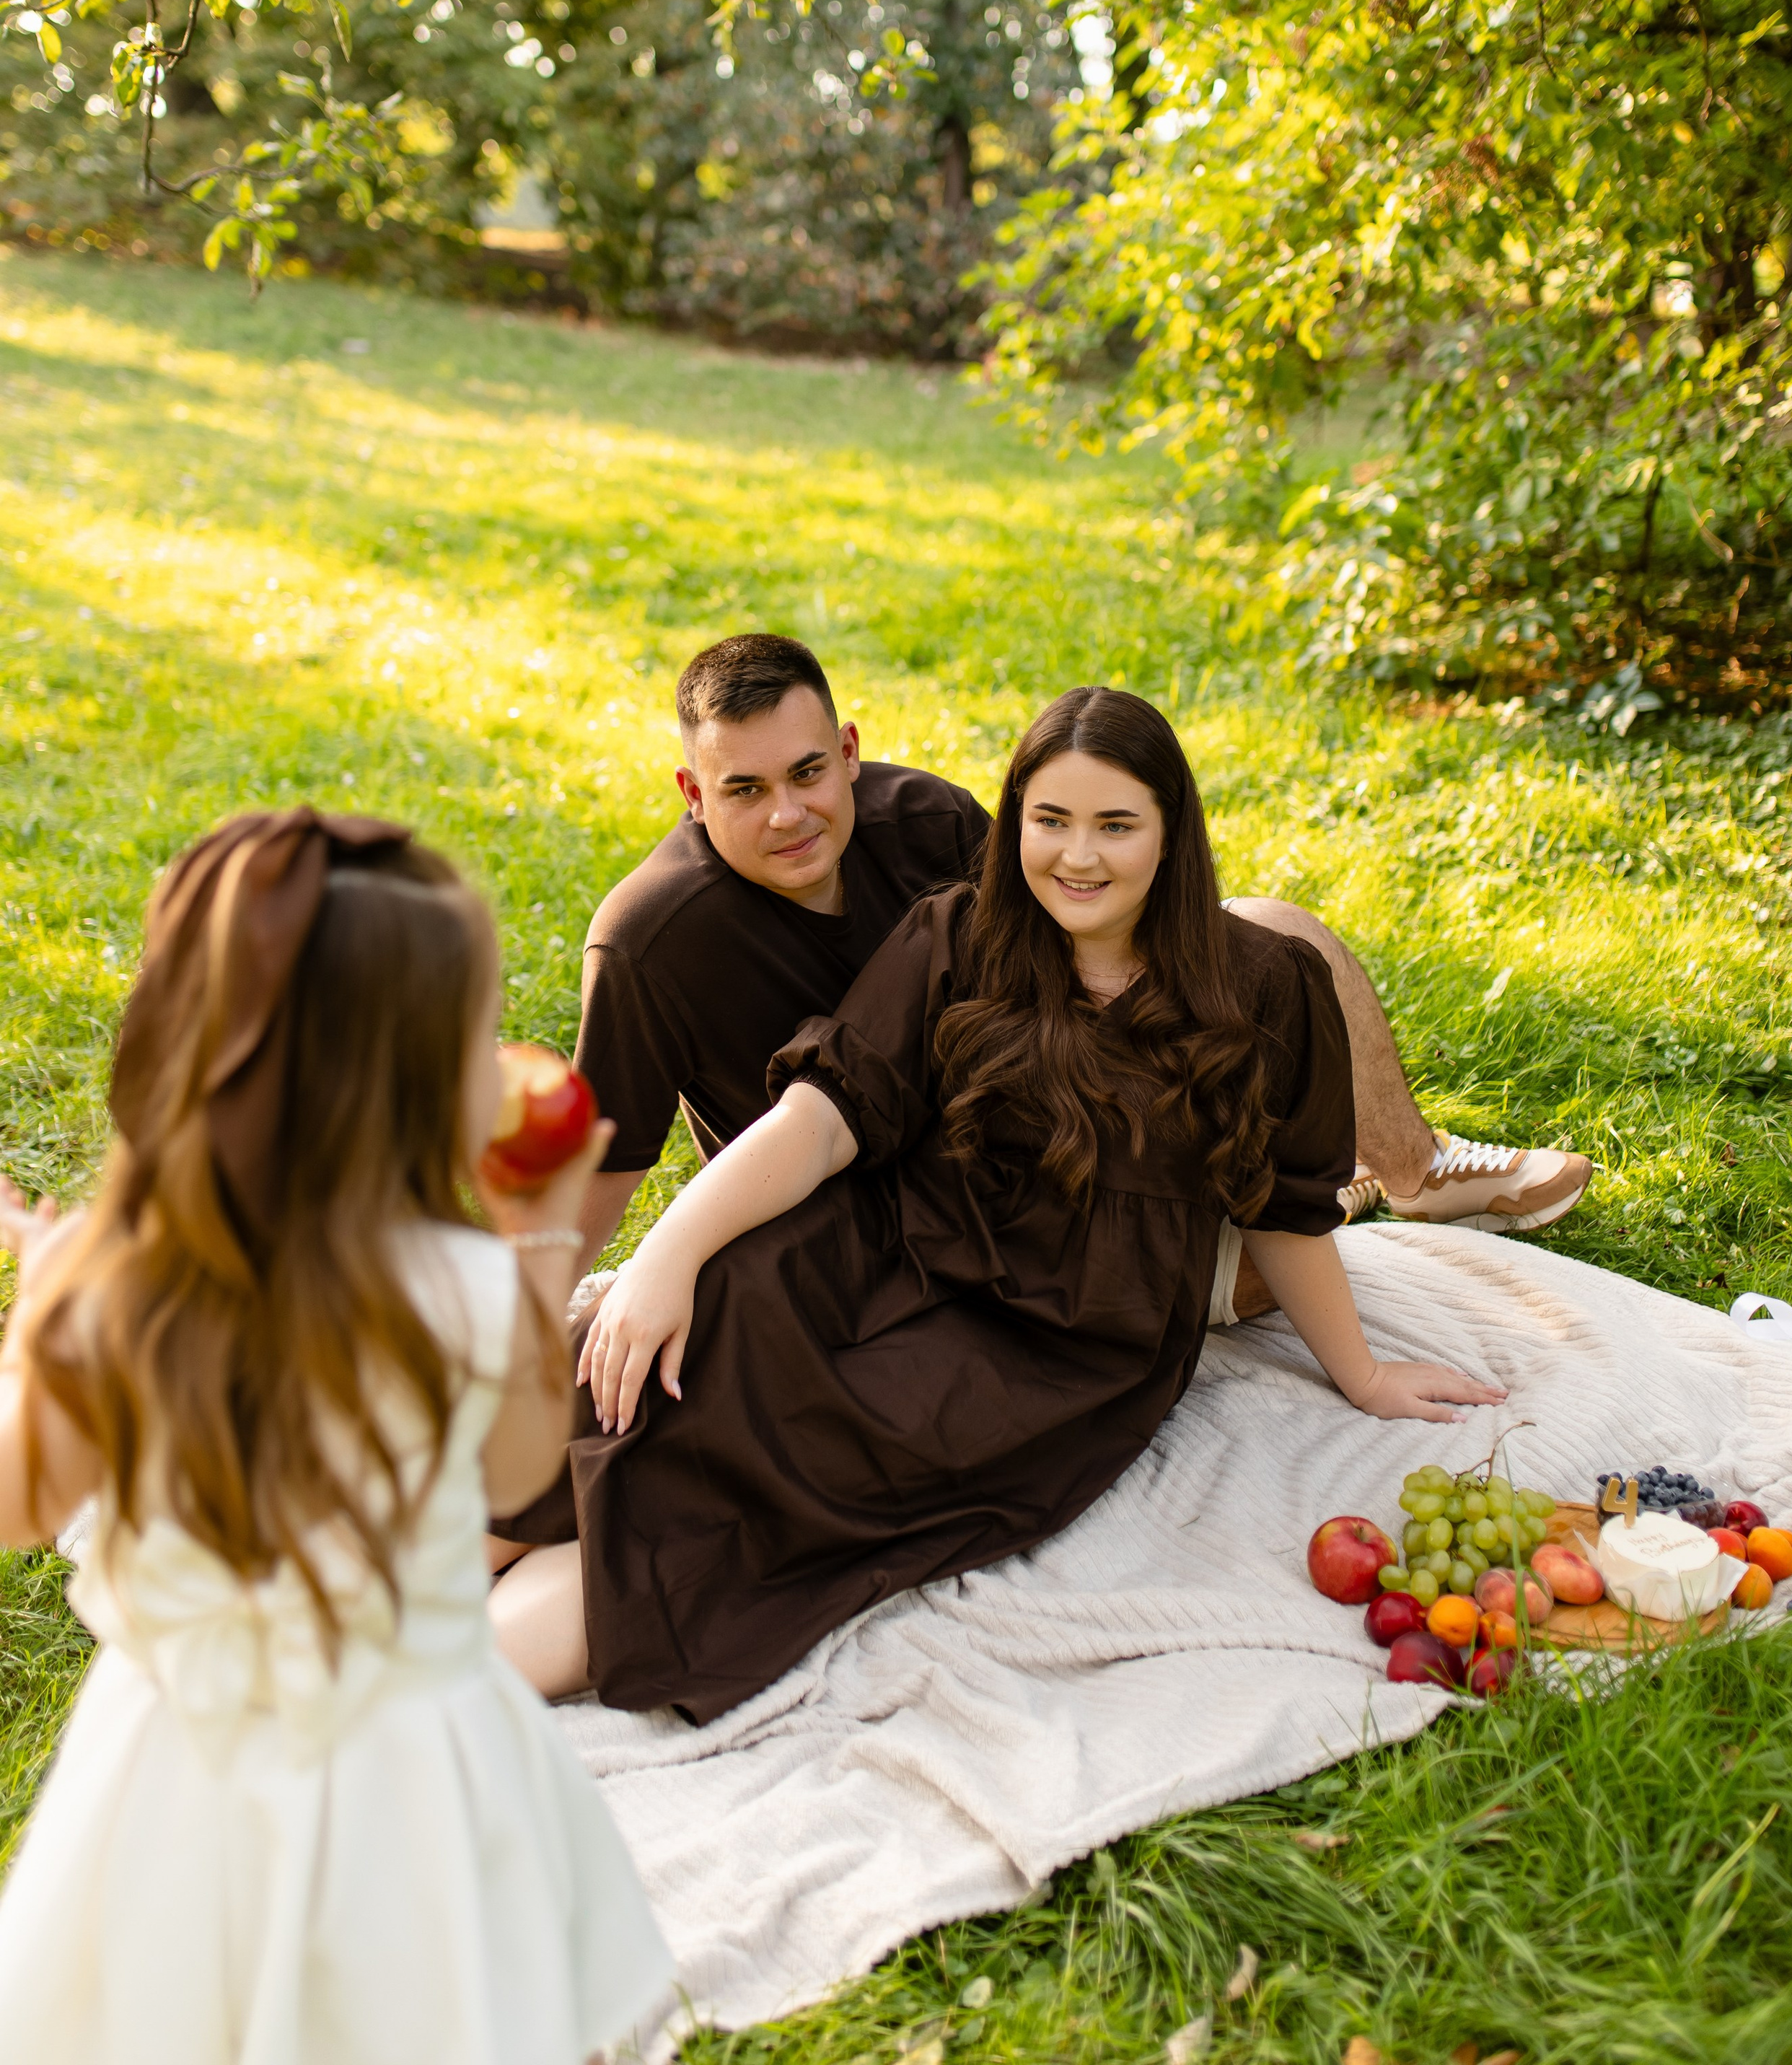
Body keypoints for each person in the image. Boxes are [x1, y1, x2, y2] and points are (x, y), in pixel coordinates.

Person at [488, 688, 1509, 1718]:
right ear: (1014, 820)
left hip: (1047, 1344)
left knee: (726, 1506)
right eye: (1050, 821)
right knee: (641, 1372)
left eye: (1116, 825)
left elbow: (1287, 1209)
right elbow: (822, 1120)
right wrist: (667, 1258)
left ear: (1171, 834)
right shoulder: (961, 933)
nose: (1078, 857)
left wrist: (1365, 1373)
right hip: (876, 1249)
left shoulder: (1264, 988)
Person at [0, 807, 672, 2065]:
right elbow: (524, 1470)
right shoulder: (458, 1285)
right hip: (420, 1755)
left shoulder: (126, 1293)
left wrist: (45, 1315)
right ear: (401, 1086)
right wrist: (533, 1247)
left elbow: (22, 1507)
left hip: (184, 1771)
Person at [565, 633, 1592, 1283]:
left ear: (849, 749)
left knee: (1279, 936)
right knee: (1194, 1269)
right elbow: (602, 1171)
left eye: (807, 772)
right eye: (744, 790)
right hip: (883, 1211)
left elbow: (1069, 938)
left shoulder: (920, 819)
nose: (789, 814)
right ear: (692, 795)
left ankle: (1406, 1173)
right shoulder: (651, 939)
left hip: (1024, 1111)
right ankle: (1305, 1210)